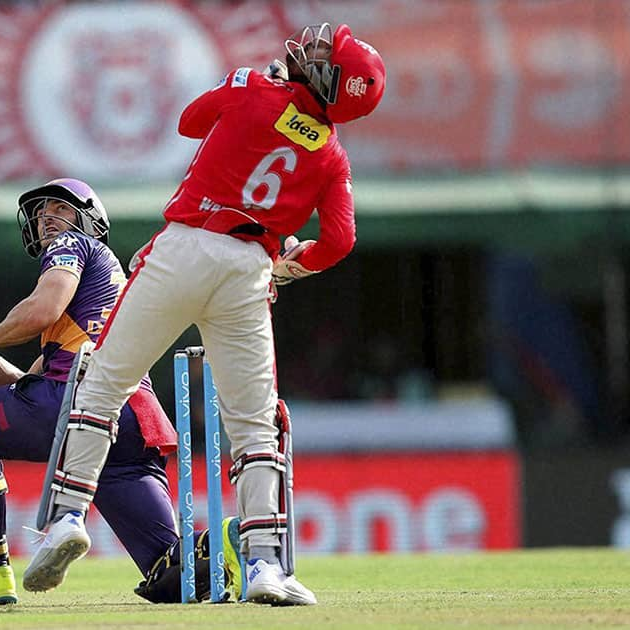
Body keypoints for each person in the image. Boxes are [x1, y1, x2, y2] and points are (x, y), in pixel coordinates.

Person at [20, 23, 386, 606]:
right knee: (254, 423)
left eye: (321, 53)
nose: (306, 48)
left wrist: (246, 89)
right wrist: (291, 267)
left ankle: (66, 519)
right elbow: (339, 242)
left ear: (331, 79)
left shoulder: (253, 87)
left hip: (185, 246)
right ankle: (265, 565)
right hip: (251, 269)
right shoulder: (333, 158)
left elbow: (189, 120)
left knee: (102, 384)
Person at [0, 179, 242, 605]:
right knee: (174, 573)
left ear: (88, 219)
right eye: (42, 211)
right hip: (132, 425)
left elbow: (43, 311)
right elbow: (20, 390)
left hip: (77, 406)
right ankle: (231, 540)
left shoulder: (74, 245)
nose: (48, 217)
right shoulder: (94, 301)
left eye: (60, 208)